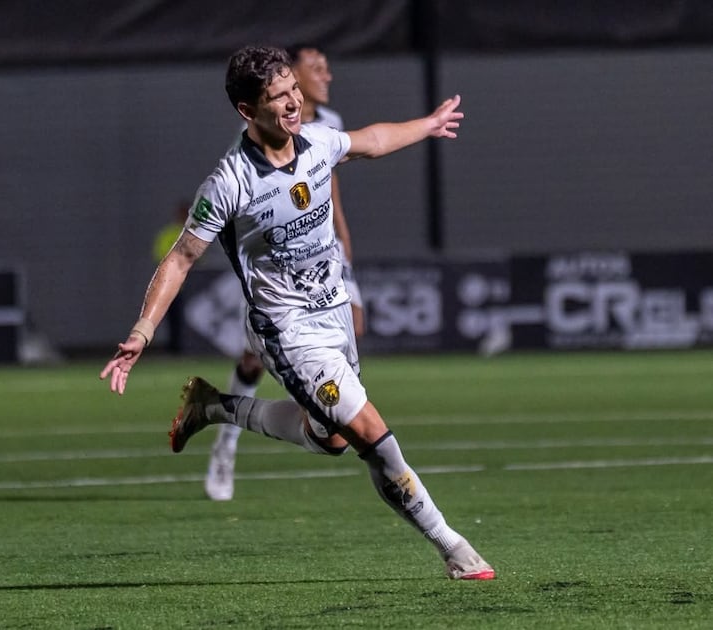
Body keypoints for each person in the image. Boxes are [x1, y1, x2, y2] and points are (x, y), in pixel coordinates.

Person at [100, 45, 494, 580]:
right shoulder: (229, 183)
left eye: (293, 91)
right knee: (368, 430)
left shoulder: (318, 142)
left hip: (334, 313)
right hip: (287, 330)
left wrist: (426, 125)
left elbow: (372, 141)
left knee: (332, 439)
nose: (293, 103)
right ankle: (455, 549)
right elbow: (180, 259)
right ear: (247, 110)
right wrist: (143, 330)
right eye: (279, 97)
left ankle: (215, 407)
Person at [204, 43, 364, 501]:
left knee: (355, 324)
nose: (326, 75)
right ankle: (226, 444)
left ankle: (316, 407)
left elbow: (327, 184)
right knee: (253, 358)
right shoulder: (258, 129)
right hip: (273, 268)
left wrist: (343, 243)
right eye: (316, 68)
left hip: (321, 255)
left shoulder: (326, 123)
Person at [151, 200, 191, 354]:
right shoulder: (169, 233)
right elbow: (161, 255)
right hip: (171, 284)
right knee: (172, 317)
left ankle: (184, 346)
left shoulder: (193, 232)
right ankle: (174, 347)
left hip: (189, 285)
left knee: (186, 317)